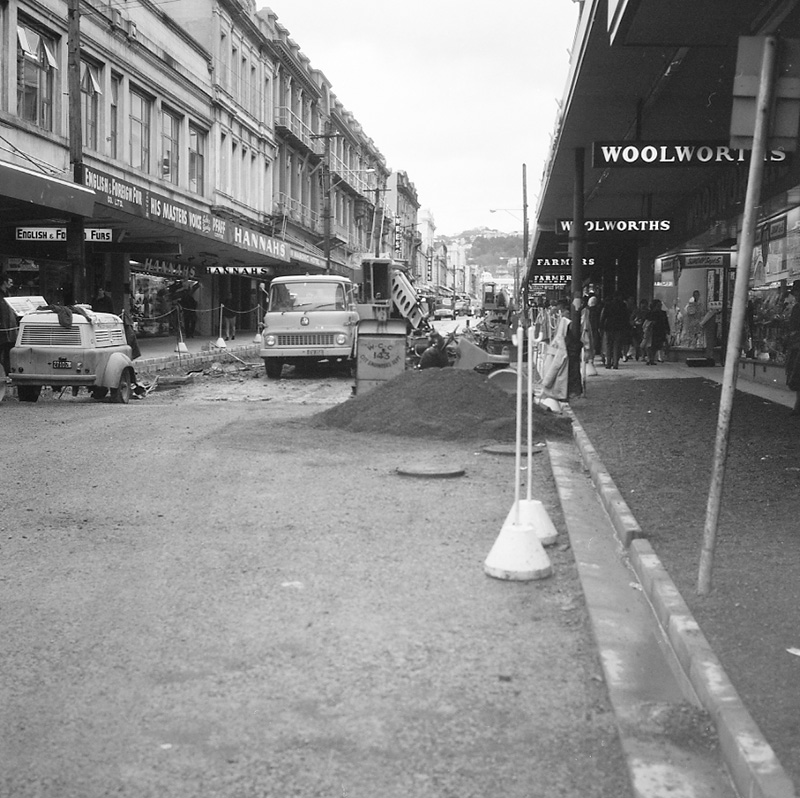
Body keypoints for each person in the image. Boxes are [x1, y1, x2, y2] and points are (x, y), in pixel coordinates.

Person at [599, 292, 630, 370]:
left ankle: (608, 363)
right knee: (616, 345)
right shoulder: (623, 305)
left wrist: (601, 326)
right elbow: (626, 317)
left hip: (609, 327)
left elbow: (604, 316)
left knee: (608, 345)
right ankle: (615, 363)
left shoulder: (608, 305)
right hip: (619, 327)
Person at [785, 280, 800, 416]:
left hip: (797, 346)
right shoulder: (796, 308)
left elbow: (793, 329)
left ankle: (797, 406)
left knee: (796, 374)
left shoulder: (797, 309)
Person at [0, 273, 18, 377]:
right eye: (10, 282)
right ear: (4, 282)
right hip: (2, 328)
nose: (11, 284)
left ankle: (7, 373)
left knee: (9, 352)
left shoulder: (8, 294)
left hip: (9, 328)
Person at [644, 298, 670, 365]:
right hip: (651, 331)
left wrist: (667, 330)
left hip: (660, 331)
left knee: (656, 345)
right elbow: (646, 322)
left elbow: (665, 322)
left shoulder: (663, 313)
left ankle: (651, 358)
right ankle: (650, 358)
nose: (659, 307)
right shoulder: (650, 313)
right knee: (649, 345)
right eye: (658, 305)